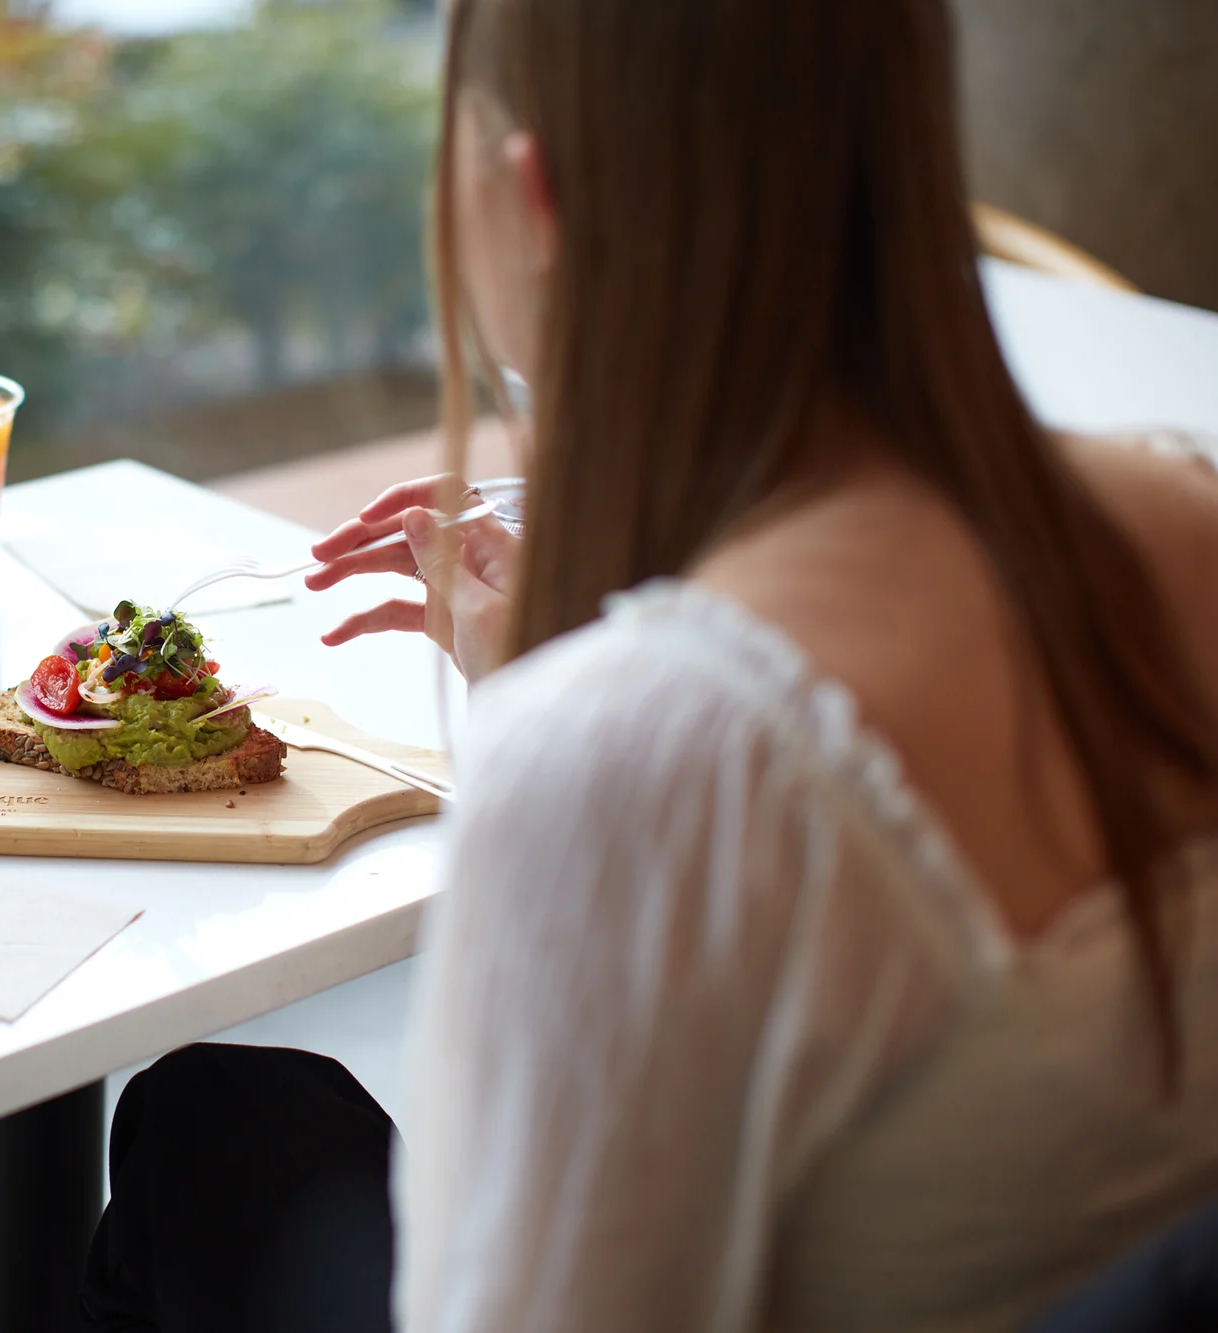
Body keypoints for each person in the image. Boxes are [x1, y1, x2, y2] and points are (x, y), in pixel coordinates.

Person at [83, 0, 1218, 1329]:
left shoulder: (662, 757)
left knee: (199, 1132)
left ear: (536, 200)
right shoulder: (1185, 508)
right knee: (237, 1113)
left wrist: (568, 727)